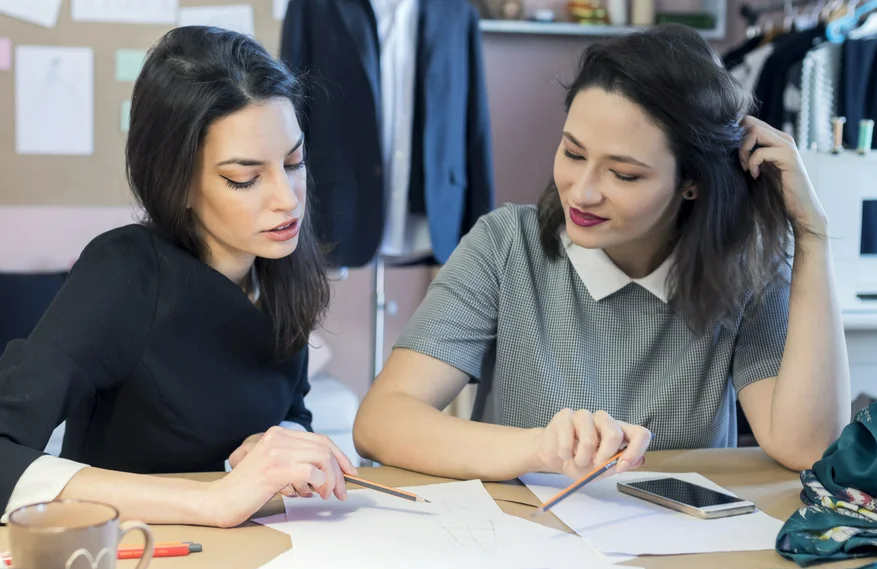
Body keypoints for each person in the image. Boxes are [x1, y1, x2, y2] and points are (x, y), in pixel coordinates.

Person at [353, 25, 851, 484]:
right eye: (573, 153)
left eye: (624, 174)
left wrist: (813, 235)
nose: (582, 192)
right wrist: (539, 448)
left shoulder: (743, 273)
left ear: (692, 184)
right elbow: (381, 421)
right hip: (521, 537)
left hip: (673, 543)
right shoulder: (505, 245)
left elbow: (808, 447)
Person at [0, 26, 357, 527]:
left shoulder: (280, 265)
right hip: (131, 552)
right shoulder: (124, 272)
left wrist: (273, 444)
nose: (287, 198)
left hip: (252, 552)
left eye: (294, 162)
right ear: (175, 181)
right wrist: (210, 501)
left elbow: (291, 407)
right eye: (244, 178)